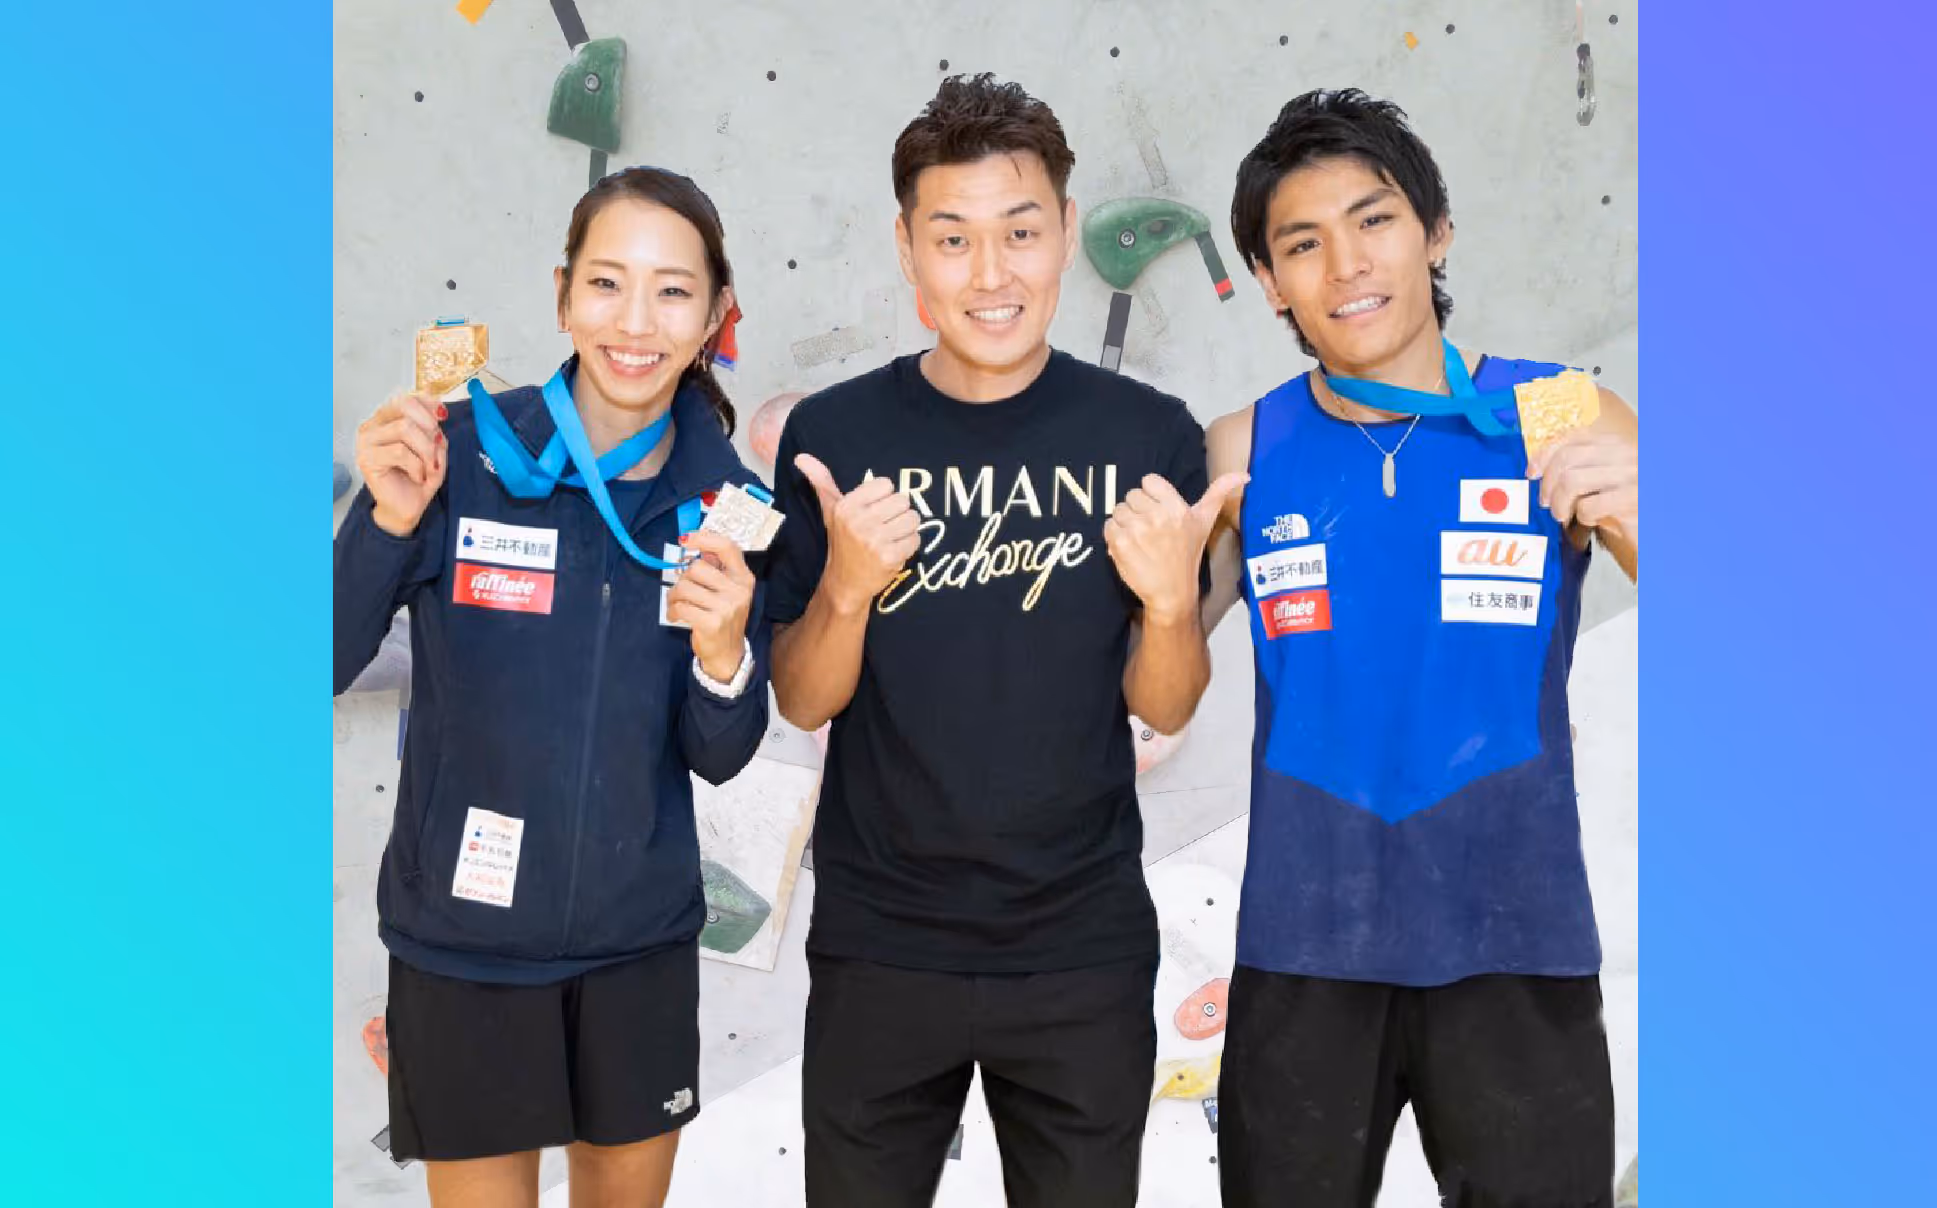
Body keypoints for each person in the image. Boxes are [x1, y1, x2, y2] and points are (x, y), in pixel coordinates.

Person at [764, 73, 1243, 1208]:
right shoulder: (835, 435)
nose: (990, 275)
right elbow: (801, 699)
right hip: (881, 948)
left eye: (1020, 232)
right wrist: (845, 590)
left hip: (1080, 951)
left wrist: (1169, 605)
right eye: (953, 238)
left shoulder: (1148, 438)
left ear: (1066, 233)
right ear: (905, 248)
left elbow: (1165, 705)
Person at [1201, 89, 1639, 1208]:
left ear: (1435, 232)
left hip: (1517, 936)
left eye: (1374, 220)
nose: (1346, 263)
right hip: (1303, 943)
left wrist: (1649, 517)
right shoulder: (1244, 445)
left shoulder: (1558, 410)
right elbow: (1136, 684)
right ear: (1268, 280)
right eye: (1303, 242)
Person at [333, 166, 769, 1208]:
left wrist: (723, 656)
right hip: (464, 945)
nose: (636, 322)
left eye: (672, 291)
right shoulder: (457, 453)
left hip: (637, 948)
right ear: (563, 294)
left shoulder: (730, 505)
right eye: (607, 283)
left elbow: (718, 754)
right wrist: (385, 522)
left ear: (715, 313)